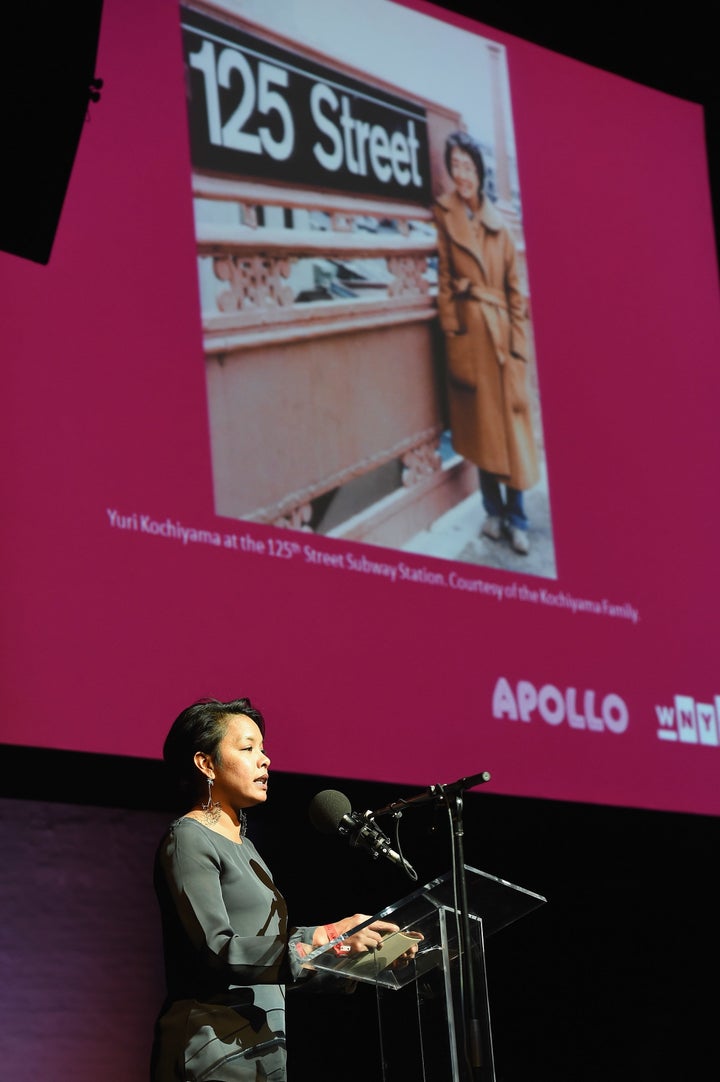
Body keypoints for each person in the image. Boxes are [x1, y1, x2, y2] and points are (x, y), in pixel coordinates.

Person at [150, 696, 404, 1081]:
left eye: (264, 750)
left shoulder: (247, 850)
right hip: (211, 1052)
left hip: (264, 1053)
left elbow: (274, 960)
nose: (264, 759)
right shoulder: (189, 838)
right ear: (206, 764)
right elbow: (218, 949)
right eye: (247, 748)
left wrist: (355, 953)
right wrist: (326, 936)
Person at [433, 130, 539, 555]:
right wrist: (453, 332)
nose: (462, 174)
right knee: (481, 431)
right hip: (471, 341)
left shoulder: (502, 229)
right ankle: (491, 511)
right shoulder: (444, 215)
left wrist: (518, 349)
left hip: (501, 344)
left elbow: (517, 296)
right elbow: (443, 280)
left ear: (479, 171)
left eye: (468, 166)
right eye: (455, 166)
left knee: (512, 433)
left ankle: (518, 518)